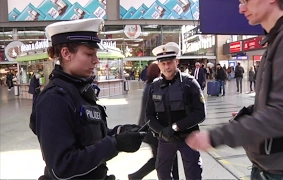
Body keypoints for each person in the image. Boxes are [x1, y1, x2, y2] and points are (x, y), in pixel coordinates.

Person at [186, 1, 283, 180]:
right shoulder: (278, 39)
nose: (241, 8)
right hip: (269, 169)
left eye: (246, 1)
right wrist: (251, 113)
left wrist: (215, 137)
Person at [29, 18, 146, 179]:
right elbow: (62, 166)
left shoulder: (79, 90)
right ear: (66, 53)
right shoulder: (54, 99)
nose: (96, 60)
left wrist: (118, 133)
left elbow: (87, 138)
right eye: (89, 54)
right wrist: (115, 144)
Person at [146, 42, 205, 179]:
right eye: (163, 63)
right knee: (163, 172)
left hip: (188, 137)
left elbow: (200, 113)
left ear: (176, 62)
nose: (167, 67)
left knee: (193, 173)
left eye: (170, 62)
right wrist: (162, 131)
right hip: (166, 138)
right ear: (158, 65)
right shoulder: (154, 86)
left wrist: (176, 127)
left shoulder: (190, 83)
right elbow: (148, 115)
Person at [128, 62, 179, 180]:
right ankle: (135, 176)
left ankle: (135, 176)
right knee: (165, 157)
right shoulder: (155, 87)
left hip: (149, 128)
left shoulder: (149, 85)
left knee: (161, 157)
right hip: (154, 130)